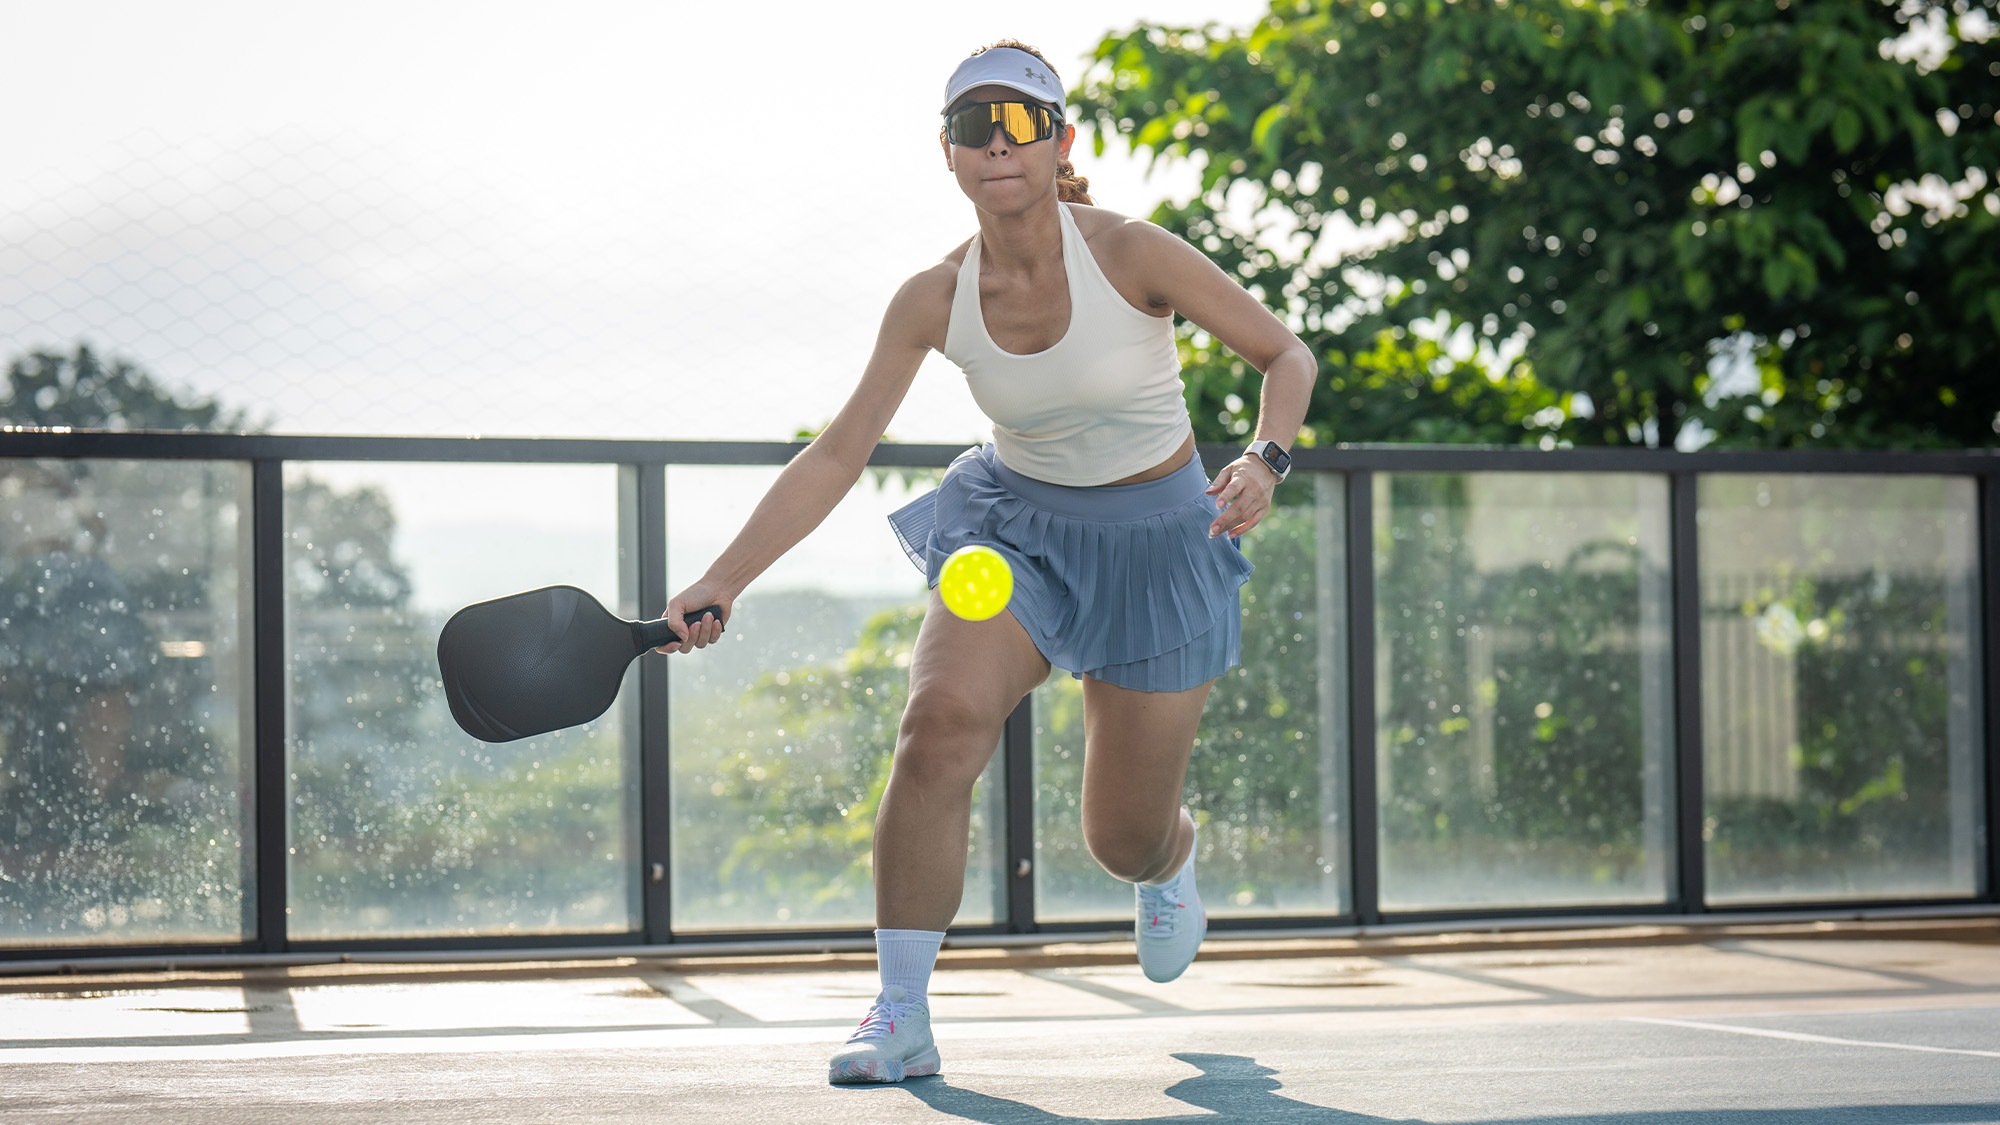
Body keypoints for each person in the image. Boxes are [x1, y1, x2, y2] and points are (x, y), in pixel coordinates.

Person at [660, 40, 1315, 1084]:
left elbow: (1287, 355)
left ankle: (1170, 860)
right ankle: (900, 1015)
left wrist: (1263, 461)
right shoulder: (932, 297)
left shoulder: (1133, 251)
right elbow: (837, 452)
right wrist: (721, 579)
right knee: (935, 727)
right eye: (975, 126)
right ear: (948, 155)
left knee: (1120, 839)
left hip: (1158, 547)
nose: (997, 144)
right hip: (1012, 531)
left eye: (1021, 122)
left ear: (1061, 142)